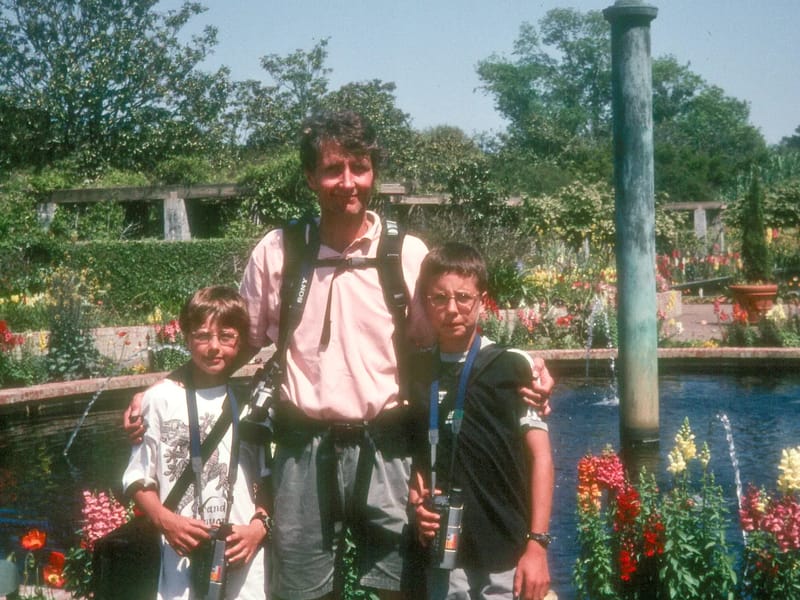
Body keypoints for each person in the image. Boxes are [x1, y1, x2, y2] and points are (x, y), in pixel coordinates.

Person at [125, 110, 555, 599]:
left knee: (401, 588)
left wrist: (528, 368)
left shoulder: (406, 254)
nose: (347, 182)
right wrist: (164, 388)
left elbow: (454, 330)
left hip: (391, 448)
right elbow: (231, 343)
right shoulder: (279, 251)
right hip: (302, 449)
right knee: (301, 591)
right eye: (333, 169)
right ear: (311, 176)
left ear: (374, 171)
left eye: (359, 167)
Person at [410, 243, 554, 600]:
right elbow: (417, 451)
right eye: (439, 298)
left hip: (507, 549)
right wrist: (417, 505)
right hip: (446, 553)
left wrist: (537, 545)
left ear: (482, 300)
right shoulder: (416, 371)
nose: (452, 309)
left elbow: (542, 458)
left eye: (464, 297)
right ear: (426, 302)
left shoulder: (514, 366)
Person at [122, 286, 270, 600]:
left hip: (240, 552)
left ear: (241, 340)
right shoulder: (158, 400)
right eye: (202, 336)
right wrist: (166, 521)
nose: (213, 347)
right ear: (186, 338)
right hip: (180, 552)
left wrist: (258, 528)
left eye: (226, 336)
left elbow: (269, 476)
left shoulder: (253, 405)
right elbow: (136, 476)